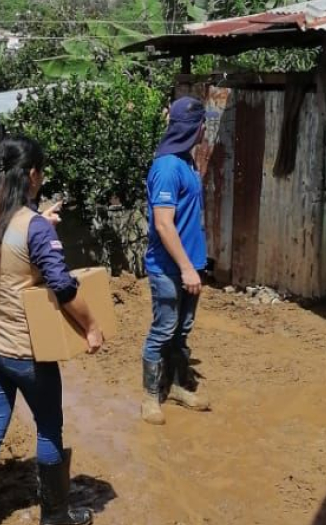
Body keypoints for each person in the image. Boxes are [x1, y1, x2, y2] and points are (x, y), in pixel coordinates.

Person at [0, 136, 104, 525]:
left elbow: (7, 246)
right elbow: (63, 286)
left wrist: (39, 217)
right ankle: (55, 517)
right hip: (26, 353)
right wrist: (91, 327)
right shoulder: (34, 228)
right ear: (34, 174)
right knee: (49, 429)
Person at [140, 96, 215, 426]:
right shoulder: (168, 167)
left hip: (190, 265)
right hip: (170, 269)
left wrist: (193, 265)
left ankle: (176, 387)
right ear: (196, 127)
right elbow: (163, 224)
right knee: (163, 330)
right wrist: (185, 267)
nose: (205, 130)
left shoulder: (187, 162)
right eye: (203, 124)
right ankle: (151, 397)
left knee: (181, 331)